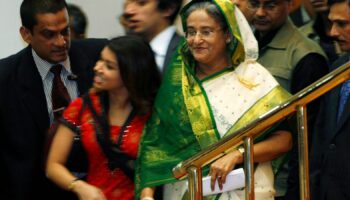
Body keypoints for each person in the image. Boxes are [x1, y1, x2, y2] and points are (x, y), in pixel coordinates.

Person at [136, 0, 293, 199]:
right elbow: (156, 144)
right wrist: (147, 194)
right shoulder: (179, 83)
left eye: (206, 32)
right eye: (191, 32)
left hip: (245, 191)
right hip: (184, 192)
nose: (196, 40)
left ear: (228, 34)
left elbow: (284, 140)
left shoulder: (253, 79)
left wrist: (238, 154)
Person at [0, 0, 106, 199]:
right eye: (49, 34)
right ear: (26, 34)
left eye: (65, 31)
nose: (61, 42)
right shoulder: (5, 78)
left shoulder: (100, 58)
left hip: (98, 189)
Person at [46, 35, 161, 200]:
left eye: (109, 66)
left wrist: (147, 194)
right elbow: (53, 166)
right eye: (100, 60)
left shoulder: (152, 112)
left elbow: (156, 164)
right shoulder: (82, 106)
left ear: (130, 73)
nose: (97, 68)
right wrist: (78, 186)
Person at [248, 0, 329, 198]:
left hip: (281, 184)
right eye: (254, 3)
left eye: (270, 5)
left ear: (290, 4)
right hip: (244, 177)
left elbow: (307, 136)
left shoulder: (305, 55)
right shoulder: (242, 46)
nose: (259, 12)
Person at [309, 0, 350, 199]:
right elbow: (321, 134)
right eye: (332, 23)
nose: (332, 32)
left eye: (342, 24)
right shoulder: (338, 66)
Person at [123, 0, 183, 73]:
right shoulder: (123, 53)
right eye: (127, 4)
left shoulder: (188, 52)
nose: (128, 11)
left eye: (141, 3)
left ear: (168, 9)